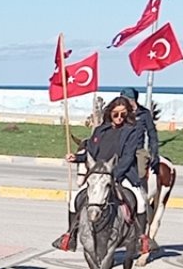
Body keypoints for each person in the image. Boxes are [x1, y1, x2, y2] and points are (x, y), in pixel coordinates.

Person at [52, 96, 144, 251]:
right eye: (116, 114)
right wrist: (77, 158)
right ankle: (71, 235)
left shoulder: (134, 131)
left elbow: (128, 157)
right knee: (74, 198)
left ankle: (141, 239)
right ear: (110, 113)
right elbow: (91, 153)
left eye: (123, 114)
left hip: (121, 174)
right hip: (97, 174)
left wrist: (113, 174)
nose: (119, 118)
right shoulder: (100, 130)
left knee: (140, 201)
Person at [120, 87, 160, 187]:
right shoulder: (121, 113)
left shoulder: (144, 114)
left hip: (138, 150)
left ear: (131, 100)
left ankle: (142, 194)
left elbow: (152, 134)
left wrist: (154, 152)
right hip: (121, 149)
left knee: (140, 173)